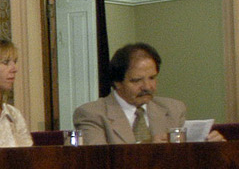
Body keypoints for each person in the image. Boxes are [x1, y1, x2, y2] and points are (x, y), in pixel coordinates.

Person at [72, 43, 222, 143]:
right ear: (117, 82)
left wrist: (211, 146)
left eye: (152, 78)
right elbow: (97, 161)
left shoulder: (173, 109)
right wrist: (146, 146)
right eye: (137, 80)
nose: (147, 86)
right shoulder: (92, 114)